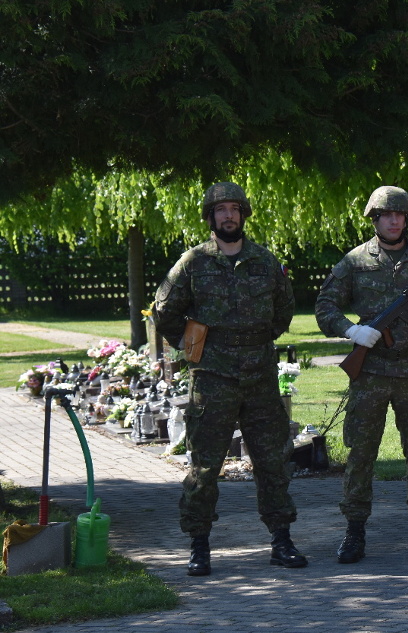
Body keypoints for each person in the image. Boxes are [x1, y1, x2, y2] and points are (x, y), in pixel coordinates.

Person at [153, 182, 307, 576]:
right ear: (211, 217)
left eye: (234, 209)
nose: (228, 216)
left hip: (260, 378)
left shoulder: (265, 262)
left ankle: (282, 540)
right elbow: (165, 311)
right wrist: (194, 346)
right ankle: (199, 544)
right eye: (220, 210)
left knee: (273, 462)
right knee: (205, 467)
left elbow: (284, 310)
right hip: (212, 378)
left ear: (243, 214)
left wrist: (255, 342)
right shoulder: (193, 263)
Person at [315, 185, 408, 564]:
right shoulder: (355, 262)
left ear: (406, 219)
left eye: (399, 215)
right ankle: (354, 531)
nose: (394, 221)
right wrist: (352, 331)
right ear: (374, 219)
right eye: (386, 215)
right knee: (361, 452)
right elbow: (325, 307)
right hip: (370, 371)